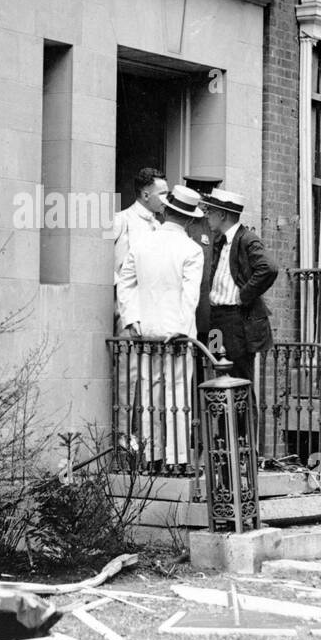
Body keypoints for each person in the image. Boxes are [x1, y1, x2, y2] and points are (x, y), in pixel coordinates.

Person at [117, 186, 205, 467]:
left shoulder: (142, 244)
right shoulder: (191, 249)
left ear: (166, 212)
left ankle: (151, 454)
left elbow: (126, 283)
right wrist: (180, 329)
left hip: (146, 331)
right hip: (175, 334)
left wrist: (132, 319)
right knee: (177, 395)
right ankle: (176, 458)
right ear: (190, 220)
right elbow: (190, 295)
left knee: (149, 394)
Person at [202, 188, 279, 383]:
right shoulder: (220, 240)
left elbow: (268, 268)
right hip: (216, 319)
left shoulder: (247, 239)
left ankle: (245, 415)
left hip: (236, 321)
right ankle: (222, 415)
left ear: (222, 215)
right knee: (217, 370)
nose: (207, 215)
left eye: (210, 211)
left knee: (239, 378)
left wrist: (243, 295)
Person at [113, 167, 168, 329]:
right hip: (126, 306)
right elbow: (105, 263)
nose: (167, 199)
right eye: (163, 194)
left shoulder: (159, 226)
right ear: (145, 195)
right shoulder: (121, 220)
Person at [182, 173, 222, 343]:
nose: (205, 206)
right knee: (191, 353)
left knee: (214, 351)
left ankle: (215, 369)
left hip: (211, 306)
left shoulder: (214, 228)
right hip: (189, 305)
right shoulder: (186, 224)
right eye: (203, 199)